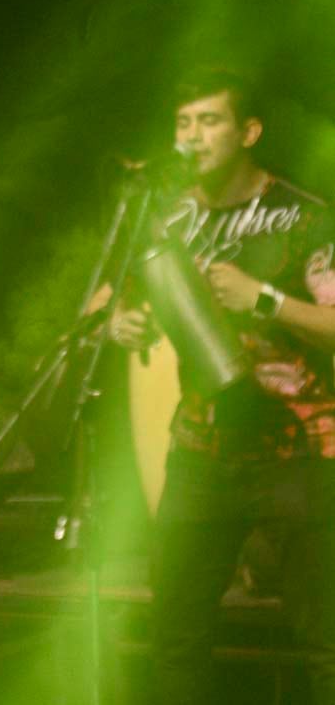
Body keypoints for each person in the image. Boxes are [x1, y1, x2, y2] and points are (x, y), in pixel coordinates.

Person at [108, 69, 335, 703]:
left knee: (325, 641)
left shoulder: (304, 217)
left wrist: (263, 300)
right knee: (176, 637)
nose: (192, 136)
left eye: (209, 121)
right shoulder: (167, 219)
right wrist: (125, 323)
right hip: (202, 449)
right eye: (184, 123)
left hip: (299, 452)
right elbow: (127, 300)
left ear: (248, 132)